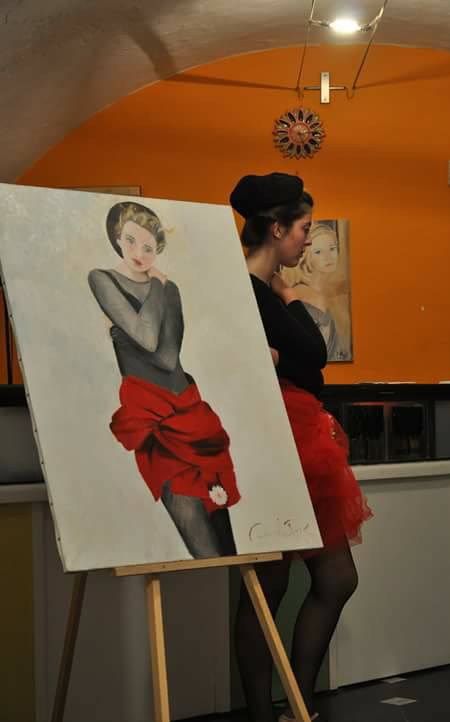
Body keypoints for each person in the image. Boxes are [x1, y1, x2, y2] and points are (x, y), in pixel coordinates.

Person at [230, 173, 372, 722]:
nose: (307, 239)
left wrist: (285, 298)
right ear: (276, 229)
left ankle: (297, 702)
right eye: (303, 228)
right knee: (268, 585)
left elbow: (309, 357)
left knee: (334, 579)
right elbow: (311, 354)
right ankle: (270, 712)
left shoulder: (267, 291)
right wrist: (287, 308)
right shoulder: (245, 291)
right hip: (272, 442)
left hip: (301, 440)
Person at [88, 201, 239, 558]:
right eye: (130, 241)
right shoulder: (102, 279)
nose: (139, 254)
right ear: (116, 238)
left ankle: (235, 590)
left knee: (223, 532)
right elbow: (146, 338)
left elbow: (166, 356)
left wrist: (159, 289)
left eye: (148, 246)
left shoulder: (170, 289)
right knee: (195, 530)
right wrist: (158, 285)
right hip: (152, 414)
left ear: (159, 248)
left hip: (190, 412)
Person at [280, 222, 350, 361]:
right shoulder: (303, 294)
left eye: (332, 248)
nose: (328, 257)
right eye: (318, 252)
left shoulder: (328, 293)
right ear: (305, 257)